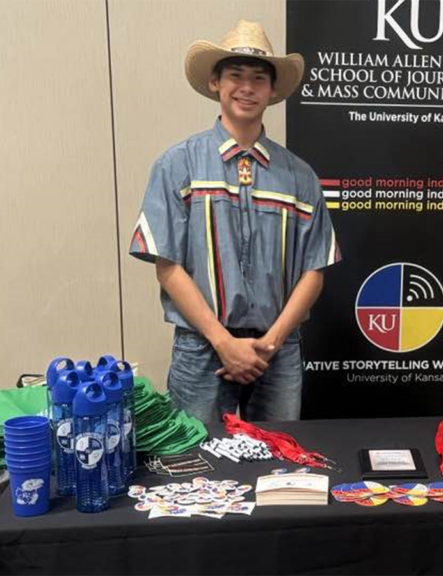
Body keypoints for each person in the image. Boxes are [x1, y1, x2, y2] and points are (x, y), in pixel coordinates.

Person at [129, 20, 340, 423]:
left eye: (259, 78)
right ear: (215, 82)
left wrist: (271, 342)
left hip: (277, 353)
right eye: (236, 76)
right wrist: (223, 342)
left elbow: (315, 269)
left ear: (273, 90)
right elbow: (167, 265)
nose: (247, 88)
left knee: (280, 467)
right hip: (201, 347)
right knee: (196, 465)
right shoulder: (179, 165)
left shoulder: (299, 175)